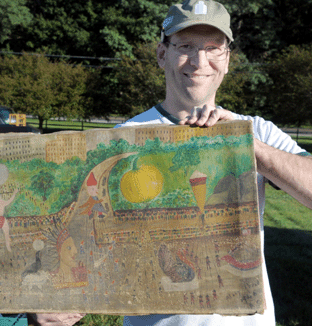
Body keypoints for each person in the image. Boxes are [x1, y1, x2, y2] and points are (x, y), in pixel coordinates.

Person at [112, 1, 312, 325]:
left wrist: (247, 145)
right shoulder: (123, 139)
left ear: (227, 60)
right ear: (162, 54)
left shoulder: (256, 130)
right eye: (185, 46)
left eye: (212, 49)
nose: (199, 61)